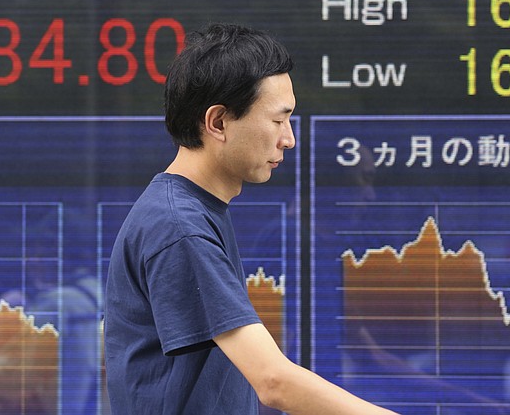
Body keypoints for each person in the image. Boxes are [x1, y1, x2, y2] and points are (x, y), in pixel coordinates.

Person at [104, 23, 399, 414]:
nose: (289, 139)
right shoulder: (179, 228)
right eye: (278, 121)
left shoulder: (193, 213)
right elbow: (273, 381)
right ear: (218, 123)